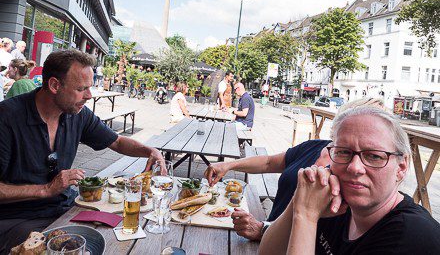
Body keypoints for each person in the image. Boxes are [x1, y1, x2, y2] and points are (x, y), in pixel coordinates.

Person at [0, 49, 164, 253]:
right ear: (54, 85)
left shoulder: (77, 114)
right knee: (68, 247)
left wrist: (150, 151)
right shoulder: (7, 118)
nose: (89, 95)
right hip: (16, 218)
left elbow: (117, 142)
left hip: (64, 207)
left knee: (120, 232)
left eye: (89, 87)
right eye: (81, 89)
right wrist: (46, 189)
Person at [259, 107, 440, 254]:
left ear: (401, 167)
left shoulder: (411, 237)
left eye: (374, 156)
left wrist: (306, 216)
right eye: (344, 152)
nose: (354, 167)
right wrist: (300, 202)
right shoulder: (334, 202)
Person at [204, 97, 385, 241]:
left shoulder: (351, 175)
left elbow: (321, 232)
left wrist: (262, 230)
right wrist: (228, 165)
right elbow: (268, 162)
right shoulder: (315, 146)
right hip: (265, 233)